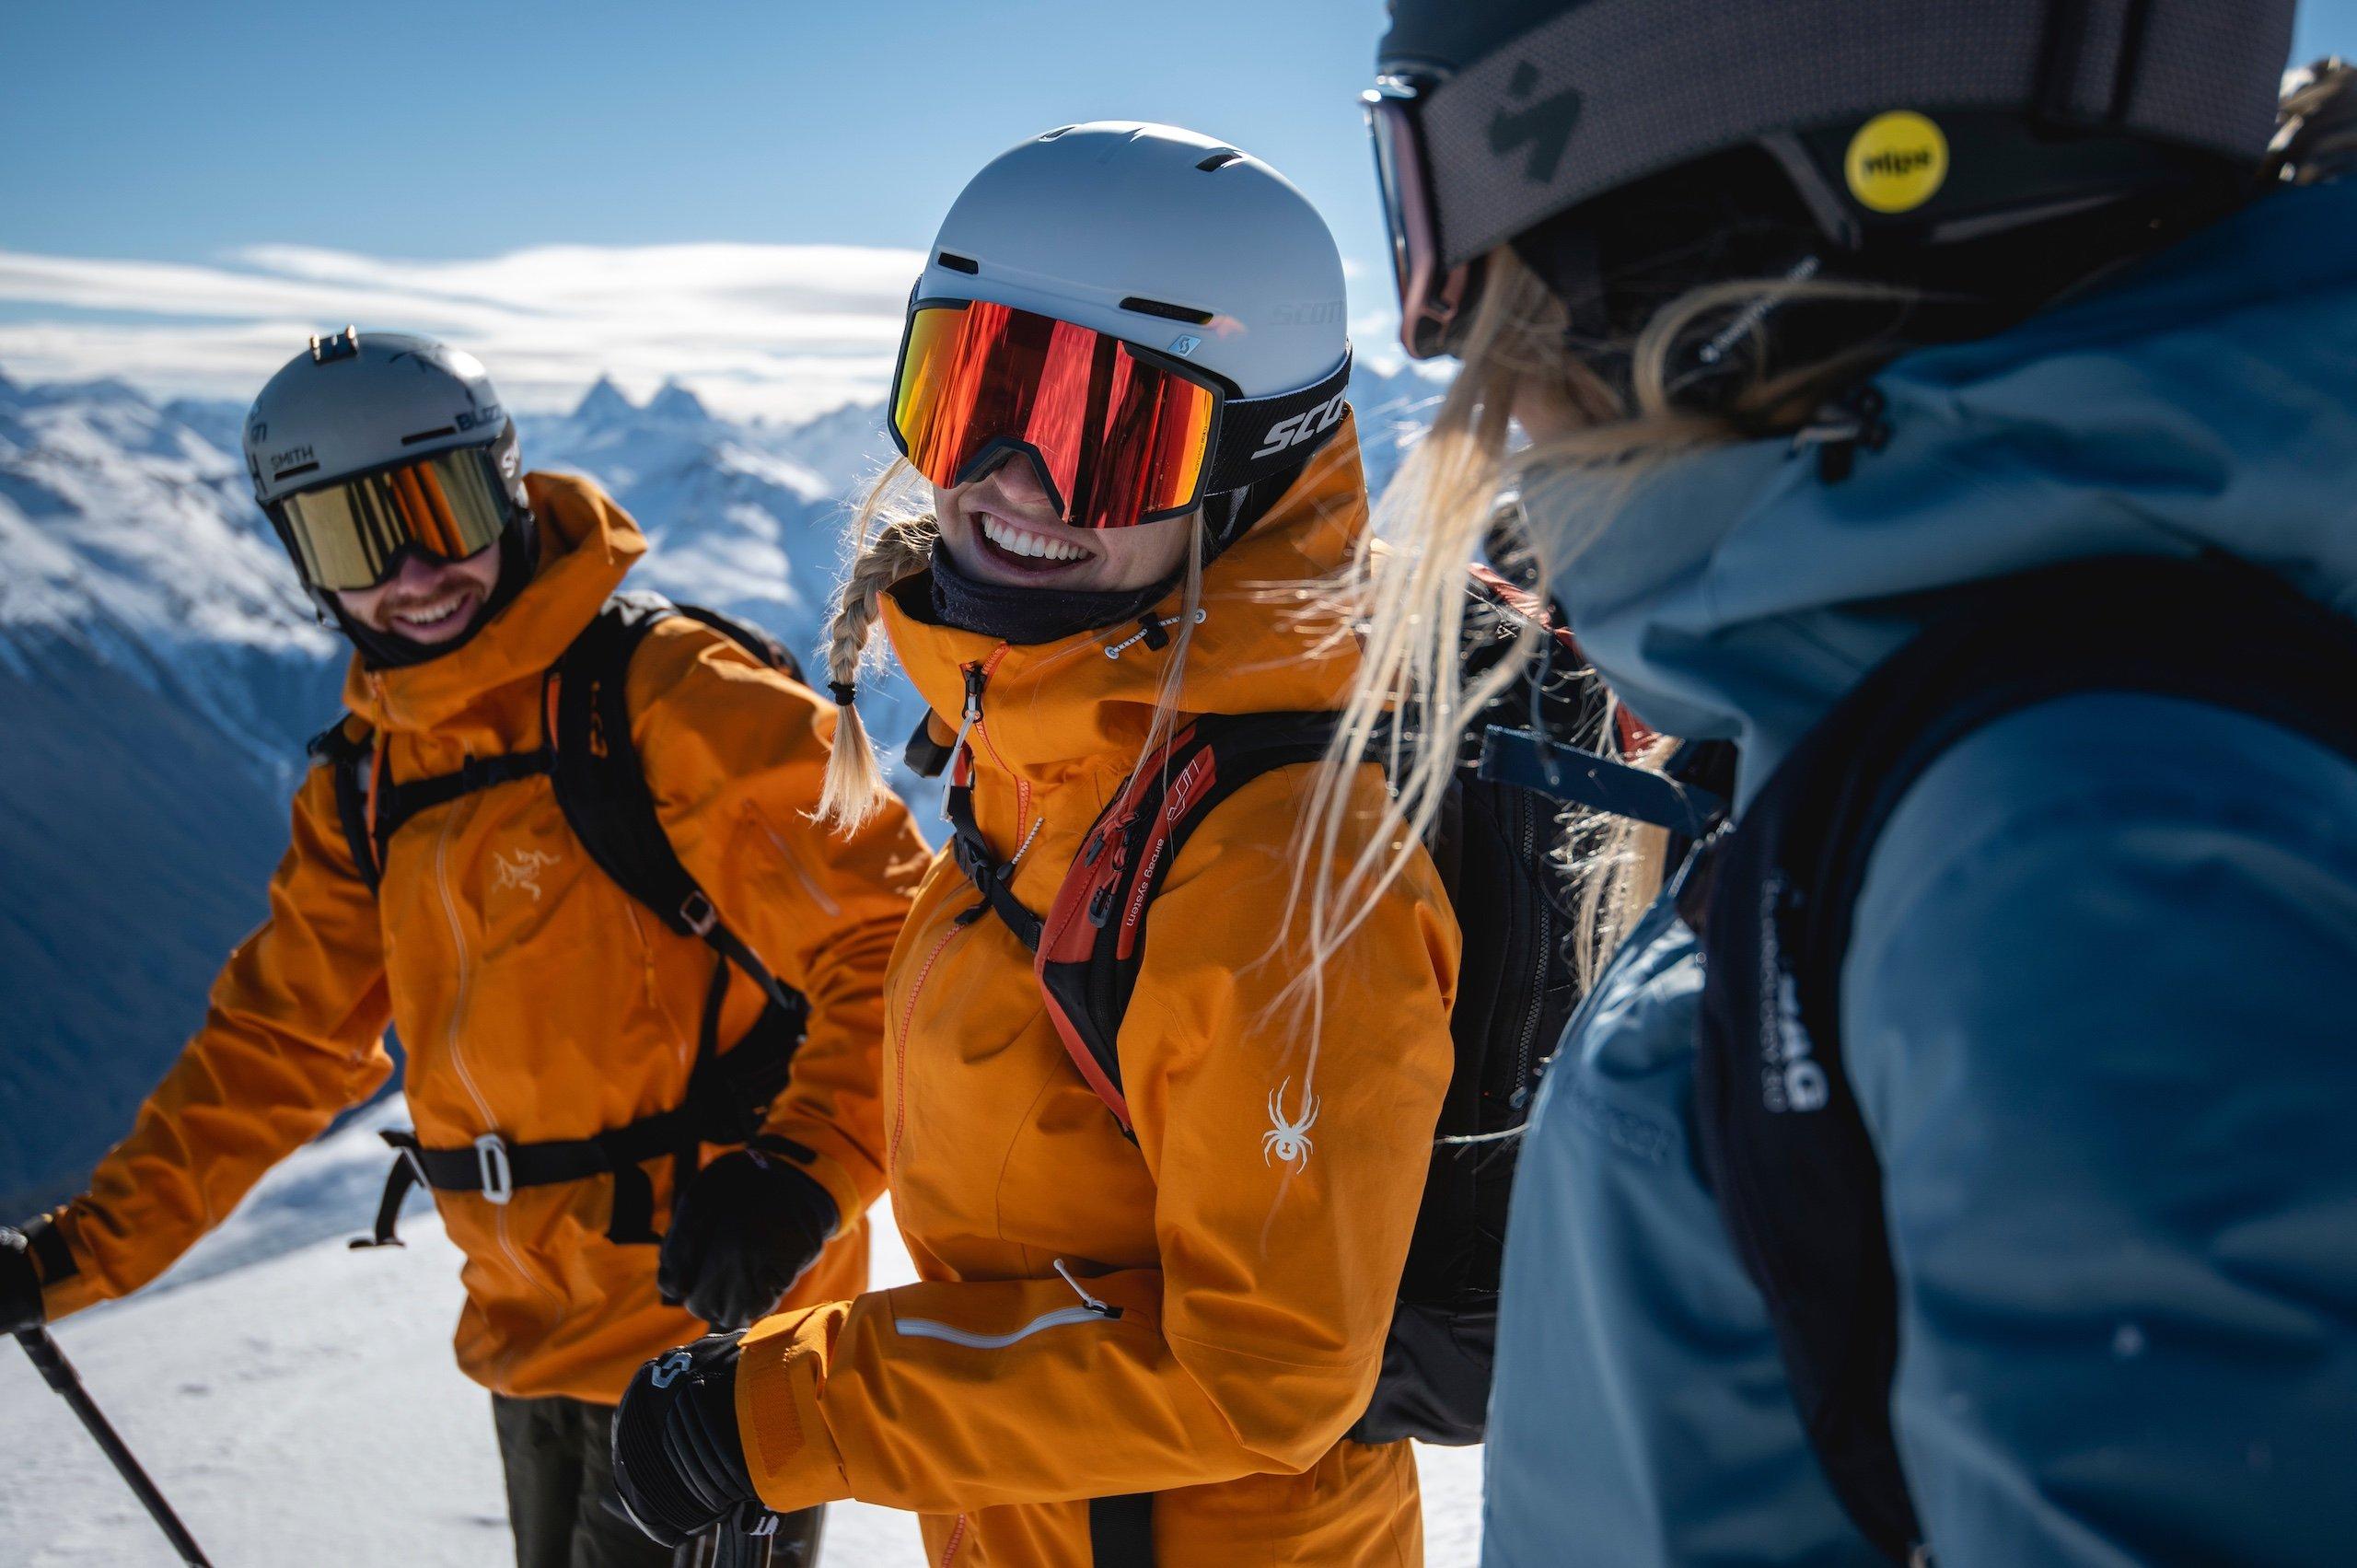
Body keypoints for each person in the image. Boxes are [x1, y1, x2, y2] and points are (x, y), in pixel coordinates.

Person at [1328, 6, 2357, 1565]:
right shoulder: (1978, 733)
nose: (1455, 344)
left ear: (1685, 208)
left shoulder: (2083, 846)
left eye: (1446, 226)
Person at [603, 123, 1461, 1567]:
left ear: (1257, 467)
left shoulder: (1272, 872)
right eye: (974, 398)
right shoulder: (1072, 737)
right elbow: (1032, 1065)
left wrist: (789, 1416)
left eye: (1108, 433)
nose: (1013, 484)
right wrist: (817, 1161)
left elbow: (1271, 1372)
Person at [0, 331, 928, 1568]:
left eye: (439, 509)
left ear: (504, 481)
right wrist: (76, 1256)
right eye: (352, 539)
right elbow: (274, 1048)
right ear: (299, 563)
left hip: (714, 1345)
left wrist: (805, 1172)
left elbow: (904, 940)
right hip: (527, 1340)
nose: (413, 570)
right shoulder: (372, 782)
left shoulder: (666, 697)